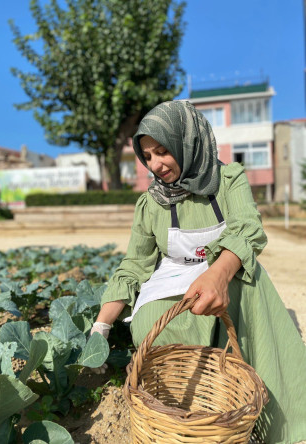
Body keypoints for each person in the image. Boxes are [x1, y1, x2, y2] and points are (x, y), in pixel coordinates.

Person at [91, 100, 306, 444]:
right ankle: (189, 422)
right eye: (147, 156)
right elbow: (134, 266)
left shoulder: (228, 180)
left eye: (163, 151)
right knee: (149, 322)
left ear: (187, 143)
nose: (156, 164)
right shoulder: (151, 204)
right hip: (176, 280)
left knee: (244, 290)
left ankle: (257, 419)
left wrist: (218, 273)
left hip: (228, 272)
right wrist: (100, 328)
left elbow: (248, 228)